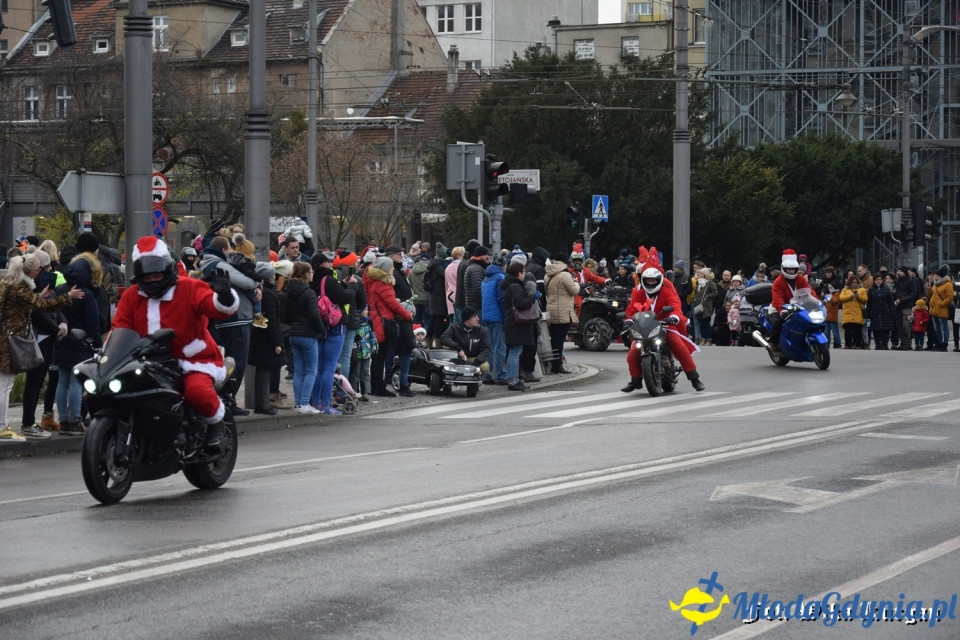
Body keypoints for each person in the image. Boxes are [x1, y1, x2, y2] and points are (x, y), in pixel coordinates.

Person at [112, 236, 237, 449]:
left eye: (156, 275)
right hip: (146, 360)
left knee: (197, 392)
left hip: (192, 358)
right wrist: (108, 352)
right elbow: (119, 327)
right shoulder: (132, 296)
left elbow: (214, 308)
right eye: (147, 277)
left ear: (167, 270)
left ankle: (216, 424)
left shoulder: (189, 287)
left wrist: (224, 296)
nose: (152, 280)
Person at [0, 255, 83, 440]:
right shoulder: (20, 285)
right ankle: (2, 427)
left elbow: (23, 304)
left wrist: (39, 295)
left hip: (5, 337)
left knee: (4, 384)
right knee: (5, 386)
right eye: (38, 270)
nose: (40, 273)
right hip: (9, 339)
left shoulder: (8, 281)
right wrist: (67, 297)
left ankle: (3, 426)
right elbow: (41, 306)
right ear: (31, 271)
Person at [199, 235, 261, 415]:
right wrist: (258, 284)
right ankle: (228, 400)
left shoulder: (208, 263)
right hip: (235, 318)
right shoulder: (219, 264)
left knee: (229, 360)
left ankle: (225, 399)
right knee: (236, 362)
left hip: (226, 318)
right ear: (224, 250)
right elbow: (246, 281)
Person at [621, 265, 705, 392]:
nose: (650, 282)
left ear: (659, 280)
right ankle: (635, 380)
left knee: (678, 345)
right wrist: (628, 321)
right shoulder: (639, 293)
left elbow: (675, 305)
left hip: (665, 324)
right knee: (632, 353)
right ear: (643, 281)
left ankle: (694, 378)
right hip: (644, 327)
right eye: (648, 280)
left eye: (653, 280)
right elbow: (631, 309)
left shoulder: (666, 291)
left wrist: (674, 317)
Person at [52, 254, 104, 436]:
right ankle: (74, 420)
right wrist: (98, 346)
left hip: (60, 339)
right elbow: (93, 324)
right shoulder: (86, 294)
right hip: (80, 342)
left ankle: (63, 421)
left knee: (62, 381)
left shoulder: (59, 290)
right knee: (75, 383)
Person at [310, 251, 357, 414]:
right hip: (335, 325)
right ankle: (325, 404)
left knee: (318, 367)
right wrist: (352, 286)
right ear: (324, 264)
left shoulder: (312, 281)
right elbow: (344, 298)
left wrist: (342, 285)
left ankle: (315, 402)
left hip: (319, 326)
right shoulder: (328, 279)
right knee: (329, 368)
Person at [365, 256, 412, 397]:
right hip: (383, 322)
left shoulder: (376, 282)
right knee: (381, 356)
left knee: (378, 356)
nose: (393, 268)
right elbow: (392, 304)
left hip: (379, 319)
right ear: (386, 268)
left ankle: (375, 386)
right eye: (391, 266)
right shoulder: (383, 284)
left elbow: (386, 301)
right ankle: (379, 387)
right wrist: (408, 315)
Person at [284, 262, 324, 414]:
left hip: (294, 333)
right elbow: (314, 315)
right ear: (306, 274)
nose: (312, 274)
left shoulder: (289, 291)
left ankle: (298, 403)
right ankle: (305, 403)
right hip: (308, 334)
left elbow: (286, 315)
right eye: (311, 272)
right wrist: (320, 330)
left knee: (299, 371)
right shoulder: (309, 293)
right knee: (311, 370)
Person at [248, 263, 286, 415]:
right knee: (264, 372)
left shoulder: (260, 292)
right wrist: (276, 343)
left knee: (263, 371)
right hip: (266, 339)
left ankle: (262, 403)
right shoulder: (269, 295)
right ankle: (262, 404)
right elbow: (271, 321)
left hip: (258, 336)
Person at [767, 249, 817, 350]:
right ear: (784, 269)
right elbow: (777, 298)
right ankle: (773, 343)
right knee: (777, 322)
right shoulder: (778, 282)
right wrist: (781, 310)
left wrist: (817, 303)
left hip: (797, 306)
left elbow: (809, 291)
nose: (791, 271)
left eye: (793, 269)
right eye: (789, 269)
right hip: (779, 307)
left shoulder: (800, 279)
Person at [501, 262, 538, 391]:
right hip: (516, 323)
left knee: (516, 352)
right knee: (514, 353)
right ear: (518, 273)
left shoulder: (510, 285)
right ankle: (512, 380)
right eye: (523, 271)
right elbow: (520, 304)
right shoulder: (515, 286)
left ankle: (514, 379)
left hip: (513, 323)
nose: (524, 274)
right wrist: (530, 296)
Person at [544, 252, 579, 374]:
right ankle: (557, 365)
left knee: (554, 338)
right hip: (563, 311)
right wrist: (576, 282)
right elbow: (574, 290)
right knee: (559, 340)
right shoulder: (565, 275)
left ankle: (554, 363)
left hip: (552, 309)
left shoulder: (547, 275)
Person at [440, 305, 492, 377]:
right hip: (456, 358)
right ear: (467, 318)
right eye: (474, 317)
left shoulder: (482, 331)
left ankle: (474, 382)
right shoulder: (454, 327)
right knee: (446, 366)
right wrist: (458, 348)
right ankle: (448, 381)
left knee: (484, 367)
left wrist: (477, 361)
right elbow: (444, 338)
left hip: (473, 358)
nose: (478, 319)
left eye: (477, 316)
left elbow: (486, 348)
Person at [479, 259, 507, 383]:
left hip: (486, 316)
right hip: (498, 317)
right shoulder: (500, 277)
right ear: (502, 266)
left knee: (489, 347)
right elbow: (501, 299)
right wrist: (505, 316)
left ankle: (487, 374)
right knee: (500, 347)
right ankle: (500, 375)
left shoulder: (485, 278)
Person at [893, 266, 920, 350]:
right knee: (899, 325)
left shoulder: (910, 281)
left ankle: (908, 343)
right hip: (898, 306)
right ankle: (903, 343)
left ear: (904, 272)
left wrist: (902, 300)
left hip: (907, 306)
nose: (898, 272)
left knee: (906, 325)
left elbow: (913, 293)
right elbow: (896, 292)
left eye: (900, 271)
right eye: (898, 271)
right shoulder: (897, 282)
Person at [927, 265, 953, 351]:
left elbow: (950, 297)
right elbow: (932, 296)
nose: (935, 277)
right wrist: (929, 289)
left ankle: (944, 345)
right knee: (936, 328)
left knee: (943, 328)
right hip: (933, 309)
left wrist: (941, 304)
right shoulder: (935, 284)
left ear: (941, 277)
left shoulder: (948, 284)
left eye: (937, 276)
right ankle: (938, 343)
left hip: (942, 309)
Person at [838, 273, 868, 349]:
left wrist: (858, 296)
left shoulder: (861, 290)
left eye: (855, 282)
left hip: (857, 313)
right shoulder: (845, 289)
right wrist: (850, 296)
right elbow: (841, 298)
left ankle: (857, 344)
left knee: (857, 331)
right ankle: (847, 344)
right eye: (852, 282)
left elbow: (865, 299)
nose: (854, 284)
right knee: (848, 331)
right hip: (848, 314)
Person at [867, 273, 896, 350]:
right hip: (875, 312)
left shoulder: (886, 289)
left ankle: (885, 344)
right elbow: (869, 302)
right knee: (876, 330)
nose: (878, 281)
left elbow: (890, 301)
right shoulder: (871, 290)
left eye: (880, 279)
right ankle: (877, 345)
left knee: (885, 329)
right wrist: (868, 313)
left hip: (885, 312)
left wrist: (892, 311)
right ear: (874, 281)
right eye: (877, 280)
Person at [692, 267, 718, 346]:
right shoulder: (699, 283)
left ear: (706, 274)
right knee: (701, 323)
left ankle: (709, 339)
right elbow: (696, 293)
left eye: (702, 273)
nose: (700, 274)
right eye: (700, 273)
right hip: (699, 305)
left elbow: (715, 292)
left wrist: (707, 297)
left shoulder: (710, 283)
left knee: (706, 323)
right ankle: (703, 339)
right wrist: (695, 298)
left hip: (706, 307)